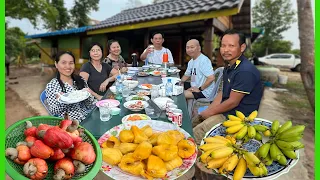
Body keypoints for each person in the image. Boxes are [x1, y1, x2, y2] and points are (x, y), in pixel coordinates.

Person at [193, 29, 263, 144]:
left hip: (236, 118)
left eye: (231, 46)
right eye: (223, 46)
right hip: (225, 111)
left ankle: (196, 158)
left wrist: (210, 113)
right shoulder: (230, 66)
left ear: (242, 47)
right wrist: (209, 110)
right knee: (195, 121)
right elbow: (222, 93)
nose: (226, 50)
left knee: (197, 134)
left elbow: (232, 102)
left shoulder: (245, 71)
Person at [45, 51, 96, 122]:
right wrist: (62, 101)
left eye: (71, 63)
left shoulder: (80, 80)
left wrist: (88, 94)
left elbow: (90, 105)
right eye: (63, 63)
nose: (68, 66)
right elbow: (53, 111)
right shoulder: (52, 86)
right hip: (68, 124)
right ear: (56, 64)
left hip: (86, 118)